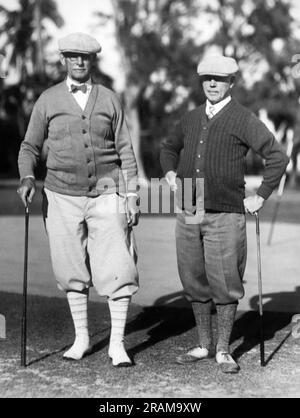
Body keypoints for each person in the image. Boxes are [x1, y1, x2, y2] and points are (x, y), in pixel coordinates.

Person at [160, 55, 289, 373]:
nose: (213, 84)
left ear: (232, 82)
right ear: (201, 82)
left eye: (219, 78)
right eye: (207, 78)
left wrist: (260, 196)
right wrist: (170, 174)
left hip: (227, 209)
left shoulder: (243, 118)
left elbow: (278, 157)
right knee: (192, 276)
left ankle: (222, 349)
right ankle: (203, 345)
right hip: (189, 202)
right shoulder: (190, 118)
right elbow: (168, 147)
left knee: (226, 280)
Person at [17, 33, 140, 367]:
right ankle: (82, 338)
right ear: (64, 60)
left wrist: (131, 195)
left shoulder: (110, 99)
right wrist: (28, 176)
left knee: (118, 265)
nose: (79, 61)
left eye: (85, 56)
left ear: (93, 60)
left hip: (107, 192)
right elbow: (29, 146)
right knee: (71, 267)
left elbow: (125, 150)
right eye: (73, 56)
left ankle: (117, 344)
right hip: (60, 195)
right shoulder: (47, 100)